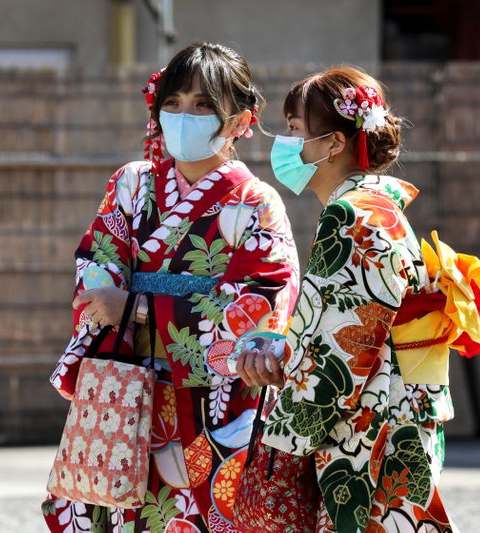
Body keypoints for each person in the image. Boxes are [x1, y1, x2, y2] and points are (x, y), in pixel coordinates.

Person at [43, 42, 301, 533]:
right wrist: (110, 303)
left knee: (196, 513)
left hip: (211, 398)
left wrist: (137, 307)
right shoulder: (132, 184)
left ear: (243, 119)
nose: (186, 116)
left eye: (204, 105)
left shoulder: (256, 203)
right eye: (174, 103)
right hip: (125, 381)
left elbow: (261, 303)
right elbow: (99, 257)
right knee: (116, 500)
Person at [234, 66, 480, 532]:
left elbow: (345, 347)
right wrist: (285, 351)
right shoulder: (379, 207)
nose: (286, 143)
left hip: (371, 427)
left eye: (296, 130)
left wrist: (284, 438)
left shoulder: (350, 214)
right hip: (398, 408)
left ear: (334, 143)